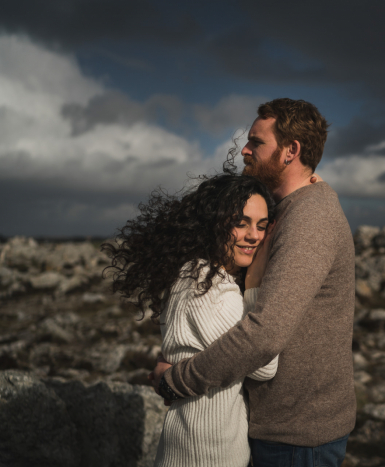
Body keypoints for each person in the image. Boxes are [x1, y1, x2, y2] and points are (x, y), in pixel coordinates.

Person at [151, 98, 356, 467]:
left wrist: (177, 381)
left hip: (295, 436)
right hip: (275, 426)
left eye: (256, 142)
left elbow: (264, 335)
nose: (244, 150)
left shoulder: (309, 217)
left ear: (290, 151)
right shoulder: (292, 207)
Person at [104, 171, 279, 467]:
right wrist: (257, 281)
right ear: (213, 223)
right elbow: (265, 365)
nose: (253, 235)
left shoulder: (205, 275)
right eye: (241, 223)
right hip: (203, 456)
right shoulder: (203, 283)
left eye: (261, 226)